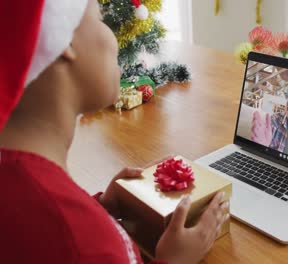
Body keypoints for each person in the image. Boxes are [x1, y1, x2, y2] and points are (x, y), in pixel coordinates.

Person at [0, 1, 228, 263]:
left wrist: (100, 208)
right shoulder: (92, 244)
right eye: (99, 19)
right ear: (65, 41)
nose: (116, 38)